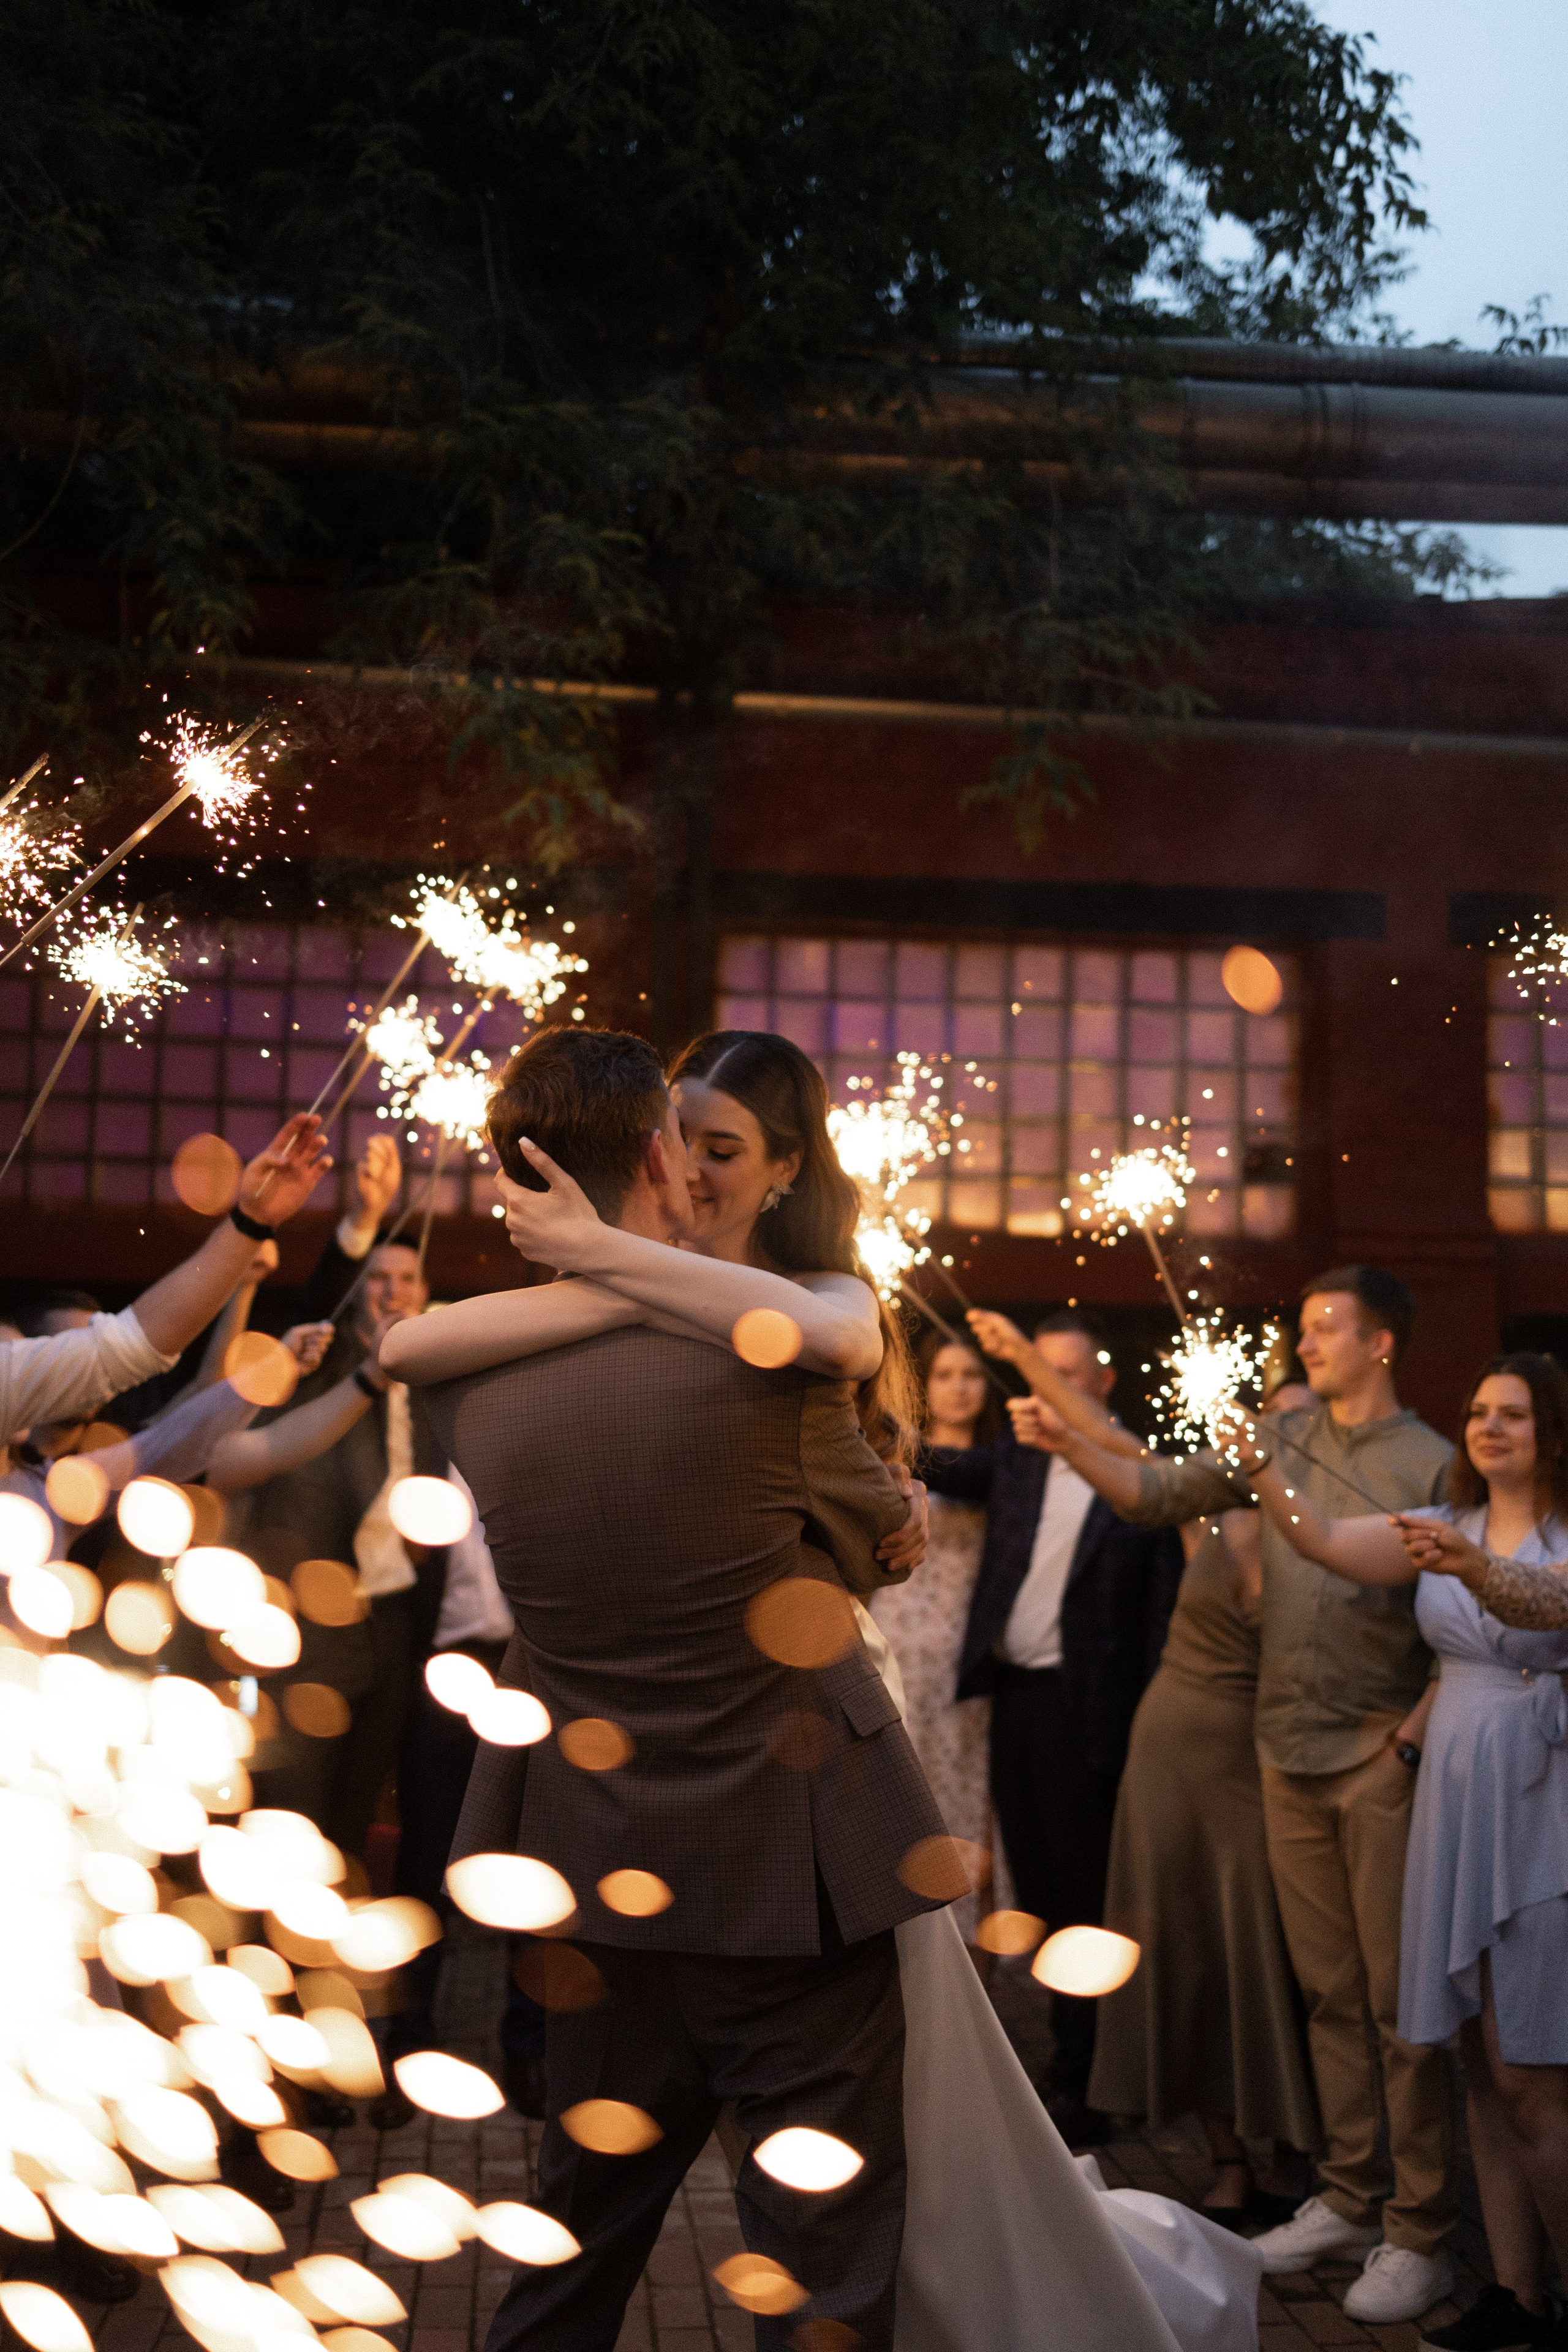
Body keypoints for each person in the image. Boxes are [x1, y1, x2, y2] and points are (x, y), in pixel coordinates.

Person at [388, 1027, 1264, 2352]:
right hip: (788, 1869)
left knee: (576, 2240)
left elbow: (416, 1352)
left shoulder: (467, 1381)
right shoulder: (777, 1361)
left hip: (592, 1858)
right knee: (820, 2256)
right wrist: (884, 1503)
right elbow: (879, 1542)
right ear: (655, 1155)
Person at [1022, 1267, 1455, 2327]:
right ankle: (1349, 2198)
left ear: (1382, 1343)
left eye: (1324, 1328)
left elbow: (1449, 1609)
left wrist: (1409, 1741)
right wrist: (1068, 1440)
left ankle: (1422, 2230)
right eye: (1301, 1328)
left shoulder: (1431, 1459)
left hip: (1367, 1753)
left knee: (1401, 2009)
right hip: (1281, 1753)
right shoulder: (1286, 1443)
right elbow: (1157, 1495)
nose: (1303, 1343)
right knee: (1328, 1996)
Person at [1221, 1355, 1568, 2352]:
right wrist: (1262, 1471)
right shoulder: (1448, 1527)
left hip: (1538, 1801)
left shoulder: (1524, 1544)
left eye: (1517, 1414)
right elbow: (1324, 1540)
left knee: (1532, 2071)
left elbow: (1548, 1606)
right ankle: (1515, 2291)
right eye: (1479, 1411)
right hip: (1454, 1796)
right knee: (1478, 2061)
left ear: (1558, 1432)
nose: (1490, 1427)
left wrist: (1482, 1575)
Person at [1005, 1343, 1321, 2226]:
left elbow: (1275, 1607)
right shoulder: (1206, 1509)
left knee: (1256, 1958)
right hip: (1168, 1756)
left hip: (1255, 1765)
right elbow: (1111, 1440)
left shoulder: (1322, 1536)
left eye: (1299, 1423)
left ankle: (1292, 2151)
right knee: (1181, 1955)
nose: (1279, 1430)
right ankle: (1225, 2155)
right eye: (1273, 1417)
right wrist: (1021, 1358)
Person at [920, 1306, 1184, 2143]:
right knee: (1035, 1888)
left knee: (1081, 1899)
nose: (1054, 1389)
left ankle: (1089, 2082)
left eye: (1067, 1376)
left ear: (1101, 1387)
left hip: (1090, 1713)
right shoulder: (1023, 1464)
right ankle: (1069, 2064)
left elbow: (1156, 1621)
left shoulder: (1144, 1483)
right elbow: (944, 1466)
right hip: (1018, 1700)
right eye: (1040, 1374)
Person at [233, 1224, 446, 1860]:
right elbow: (312, 1303)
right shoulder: (323, 1368)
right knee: (295, 1803)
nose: (392, 1292)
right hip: (318, 1614)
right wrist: (354, 1228)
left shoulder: (435, 1379)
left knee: (360, 1800)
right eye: (378, 1279)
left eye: (406, 1279)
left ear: (424, 1291)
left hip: (395, 1615)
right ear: (357, 1293)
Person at [0, 1110, 332, 1447]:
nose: (77, 1360)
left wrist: (252, 1224)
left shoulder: (107, 1456)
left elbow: (152, 1362)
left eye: (77, 1348)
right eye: (66, 1349)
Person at [870, 1331, 1005, 1945]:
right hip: (899, 1626)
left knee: (961, 1783)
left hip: (964, 1643)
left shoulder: (1000, 1464)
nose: (958, 1387)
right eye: (946, 1374)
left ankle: (962, 1937)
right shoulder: (892, 1459)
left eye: (971, 1375)